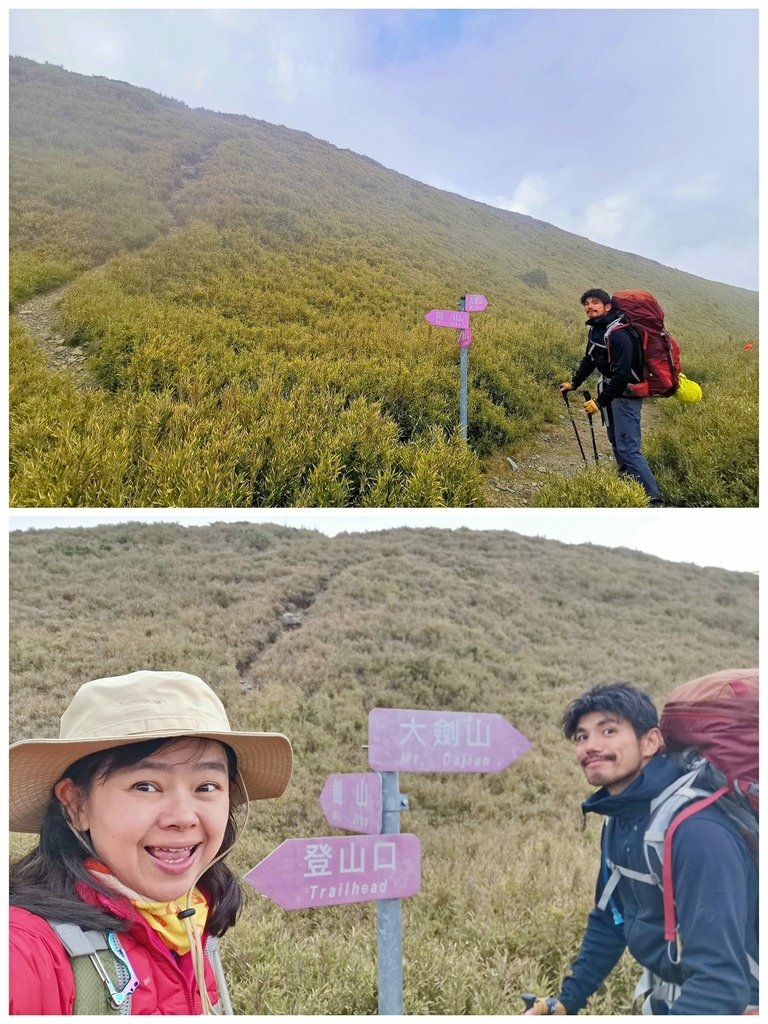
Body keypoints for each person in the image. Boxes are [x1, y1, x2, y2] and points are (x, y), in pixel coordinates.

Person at [9, 669, 293, 1015]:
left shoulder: (191, 922)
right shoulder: (25, 949)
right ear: (75, 804)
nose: (184, 817)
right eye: (145, 786)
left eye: (206, 786)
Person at [523, 682, 758, 1015]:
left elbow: (720, 984)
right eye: (582, 736)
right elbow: (611, 919)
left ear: (650, 741)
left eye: (608, 731)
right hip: (675, 992)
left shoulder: (696, 832)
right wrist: (565, 1002)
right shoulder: (621, 816)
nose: (591, 746)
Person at [560, 289, 663, 506]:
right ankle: (628, 484)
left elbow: (622, 375)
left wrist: (598, 402)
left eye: (595, 302)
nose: (590, 306)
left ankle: (655, 501)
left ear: (608, 307)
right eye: (586, 303)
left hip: (626, 394)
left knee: (629, 448)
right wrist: (575, 383)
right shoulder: (596, 330)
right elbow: (589, 359)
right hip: (611, 391)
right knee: (616, 440)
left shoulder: (619, 334)